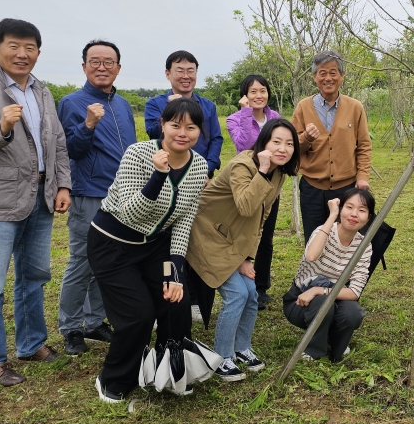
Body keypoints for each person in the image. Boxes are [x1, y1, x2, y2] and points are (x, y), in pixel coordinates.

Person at [0, 18, 72, 386]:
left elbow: (56, 143)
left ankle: (31, 343)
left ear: (38, 52)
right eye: (13, 46)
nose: (22, 54)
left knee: (34, 274)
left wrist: (62, 185)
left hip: (41, 196)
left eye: (30, 48)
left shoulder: (42, 92)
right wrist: (2, 128)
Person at [87, 98, 209, 403]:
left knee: (175, 302)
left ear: (200, 132)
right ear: (162, 126)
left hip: (155, 247)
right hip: (112, 245)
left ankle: (168, 369)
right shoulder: (139, 154)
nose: (183, 132)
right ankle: (113, 378)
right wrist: (158, 176)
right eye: (175, 125)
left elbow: (184, 221)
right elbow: (130, 213)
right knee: (138, 314)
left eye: (191, 127)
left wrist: (175, 273)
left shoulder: (199, 166)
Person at [186, 118, 299, 382]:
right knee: (237, 294)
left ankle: (241, 348)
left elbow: (260, 217)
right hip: (206, 233)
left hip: (233, 238)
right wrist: (262, 171)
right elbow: (247, 206)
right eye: (277, 142)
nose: (283, 148)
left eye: (290, 144)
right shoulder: (243, 165)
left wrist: (247, 257)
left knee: (251, 292)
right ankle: (222, 357)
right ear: (264, 143)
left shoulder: (279, 173)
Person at [55, 40, 137, 356]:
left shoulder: (123, 104)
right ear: (84, 66)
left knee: (110, 260)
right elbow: (70, 150)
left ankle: (94, 322)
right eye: (94, 61)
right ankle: (71, 328)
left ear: (118, 67)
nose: (101, 67)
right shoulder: (72, 103)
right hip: (89, 192)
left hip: (122, 195)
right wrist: (88, 124)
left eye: (108, 62)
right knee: (82, 260)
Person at [283, 189, 374, 361]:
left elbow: (354, 292)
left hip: (330, 297)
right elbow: (312, 256)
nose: (354, 214)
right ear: (341, 210)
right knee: (323, 304)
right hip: (300, 300)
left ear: (368, 218)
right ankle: (313, 350)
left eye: (362, 210)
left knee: (353, 313)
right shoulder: (324, 231)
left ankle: (336, 345)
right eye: (349, 207)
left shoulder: (364, 247)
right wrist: (332, 216)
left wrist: (319, 290)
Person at [291, 51, 373, 241]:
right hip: (312, 188)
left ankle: (345, 272)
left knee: (346, 240)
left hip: (346, 188)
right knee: (314, 239)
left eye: (333, 72)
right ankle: (315, 272)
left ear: (342, 76)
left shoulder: (355, 107)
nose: (328, 78)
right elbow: (292, 147)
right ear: (314, 77)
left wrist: (362, 176)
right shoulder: (303, 107)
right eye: (322, 73)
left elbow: (364, 146)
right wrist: (305, 138)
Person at [226, 74, 282, 308]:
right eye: (253, 91)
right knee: (246, 233)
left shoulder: (275, 117)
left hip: (271, 184)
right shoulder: (234, 119)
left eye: (262, 91)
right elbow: (245, 145)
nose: (258, 96)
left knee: (265, 237)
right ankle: (244, 282)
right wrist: (247, 113)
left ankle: (261, 287)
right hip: (247, 184)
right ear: (245, 95)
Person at [144, 50, 223, 178]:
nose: (186, 76)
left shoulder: (208, 106)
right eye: (180, 71)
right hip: (166, 172)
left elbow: (216, 139)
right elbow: (153, 134)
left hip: (200, 174)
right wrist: (170, 108)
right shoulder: (154, 104)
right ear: (168, 74)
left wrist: (207, 170)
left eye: (191, 71)